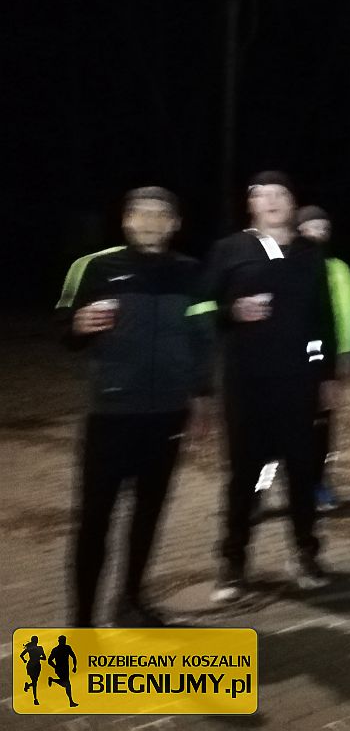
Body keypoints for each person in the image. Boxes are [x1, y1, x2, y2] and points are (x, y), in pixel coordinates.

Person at [62, 187, 214, 626]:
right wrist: (77, 325)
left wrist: (202, 396)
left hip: (167, 414)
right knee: (95, 519)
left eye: (161, 214)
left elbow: (202, 337)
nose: (151, 221)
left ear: (175, 224)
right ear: (126, 220)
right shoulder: (94, 266)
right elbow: (64, 329)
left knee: (149, 513)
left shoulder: (191, 272)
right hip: (111, 413)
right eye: (141, 213)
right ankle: (82, 621)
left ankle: (130, 600)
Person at [200, 171, 337, 601]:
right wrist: (231, 311)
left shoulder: (309, 252)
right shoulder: (229, 249)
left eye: (281, 193)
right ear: (251, 204)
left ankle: (306, 552)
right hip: (247, 383)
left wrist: (326, 373)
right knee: (248, 474)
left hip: (298, 383)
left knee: (302, 470)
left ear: (292, 203)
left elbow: (322, 317)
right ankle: (233, 562)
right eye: (263, 194)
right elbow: (200, 308)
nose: (273, 200)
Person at [296, 205, 350, 513]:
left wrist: (346, 351)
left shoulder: (338, 269)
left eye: (323, 229)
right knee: (276, 428)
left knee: (322, 425)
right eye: (311, 228)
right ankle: (260, 490)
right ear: (298, 231)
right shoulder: (284, 264)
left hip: (326, 359)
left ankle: (317, 482)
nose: (318, 234)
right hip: (288, 360)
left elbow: (349, 312)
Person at [46, 635, 78, 707]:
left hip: (66, 669)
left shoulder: (67, 648)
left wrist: (74, 666)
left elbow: (73, 657)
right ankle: (71, 702)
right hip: (60, 669)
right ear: (59, 641)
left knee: (66, 684)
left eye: (64, 640)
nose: (64, 642)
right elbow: (49, 660)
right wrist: (55, 667)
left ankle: (53, 680)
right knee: (68, 685)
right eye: (62, 640)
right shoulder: (56, 650)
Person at [21, 637, 45, 705]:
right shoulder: (39, 648)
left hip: (34, 665)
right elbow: (44, 658)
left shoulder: (33, 648)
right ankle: (35, 699)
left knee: (35, 682)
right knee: (35, 682)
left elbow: (21, 655)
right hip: (34, 665)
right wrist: (38, 657)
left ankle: (28, 686)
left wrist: (24, 660)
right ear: (37, 641)